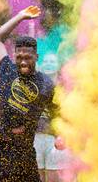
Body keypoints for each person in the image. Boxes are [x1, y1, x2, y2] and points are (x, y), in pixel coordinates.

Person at [0, 6, 54, 182]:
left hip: (25, 155)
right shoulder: (7, 69)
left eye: (28, 57)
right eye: (19, 57)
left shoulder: (45, 83)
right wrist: (20, 16)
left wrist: (60, 136)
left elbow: (58, 116)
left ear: (36, 57)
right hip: (1, 154)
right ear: (14, 55)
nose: (23, 61)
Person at [33, 53, 72, 182]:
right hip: (36, 137)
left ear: (58, 66)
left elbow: (70, 115)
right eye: (46, 61)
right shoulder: (34, 86)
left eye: (52, 61)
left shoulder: (65, 89)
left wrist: (63, 135)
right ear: (41, 65)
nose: (49, 63)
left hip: (56, 139)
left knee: (54, 177)